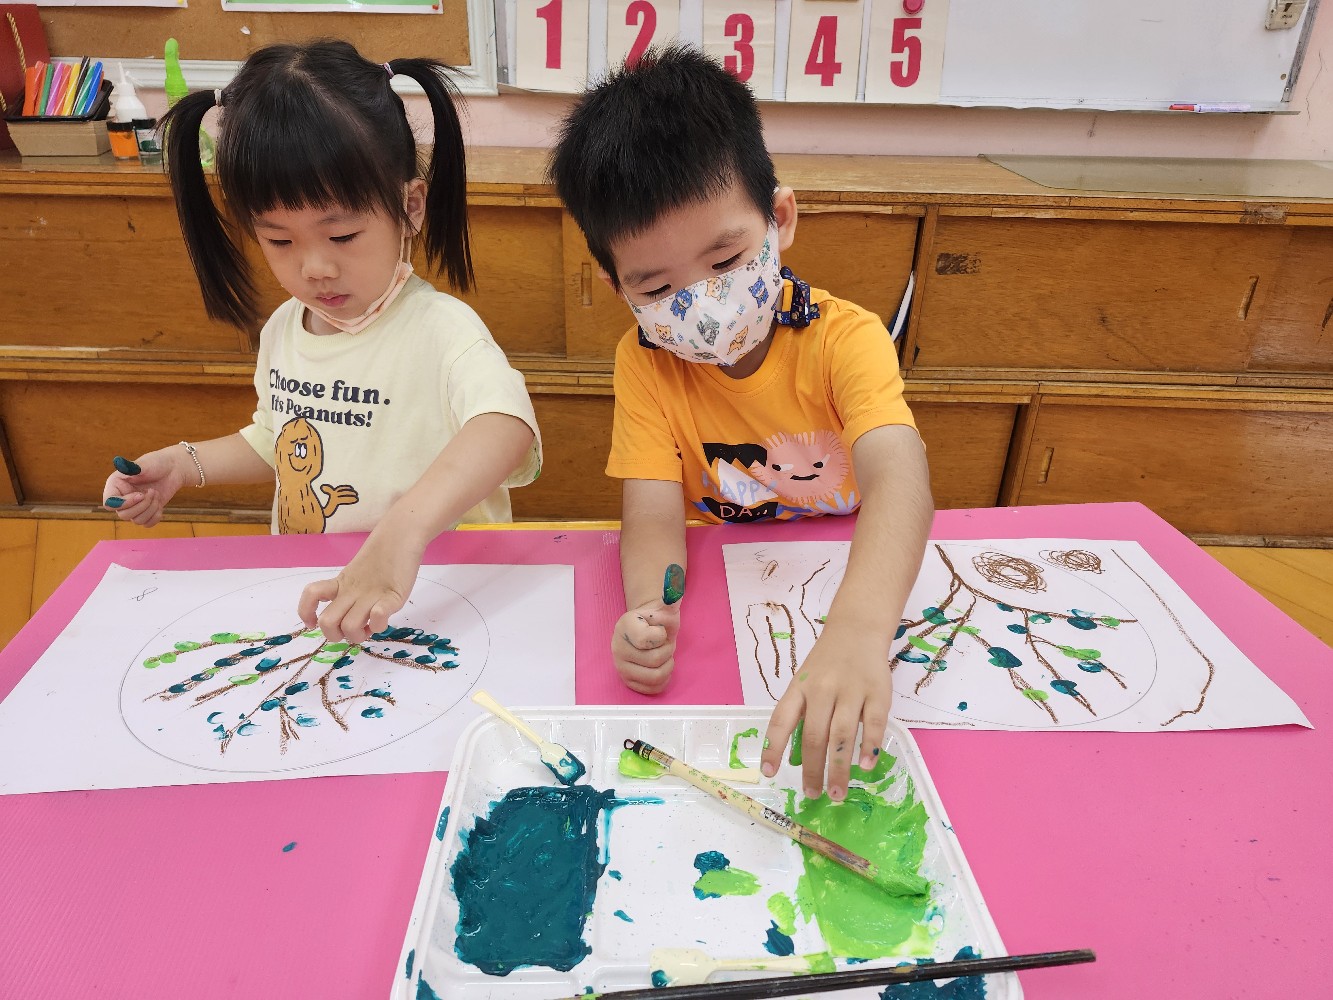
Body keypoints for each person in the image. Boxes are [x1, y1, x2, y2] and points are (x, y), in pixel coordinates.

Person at [550, 45, 933, 801]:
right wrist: (648, 609)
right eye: (656, 288)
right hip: (727, 598)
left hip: (850, 576)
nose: (702, 305)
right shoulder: (645, 362)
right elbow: (652, 512)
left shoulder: (845, 338)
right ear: (616, 285)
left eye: (725, 261)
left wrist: (859, 632)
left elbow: (901, 479)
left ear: (778, 219)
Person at [102, 40, 541, 644]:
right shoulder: (285, 328)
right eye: (280, 241)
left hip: (438, 595)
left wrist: (400, 533)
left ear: (410, 206)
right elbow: (278, 441)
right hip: (326, 593)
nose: (315, 268)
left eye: (342, 235)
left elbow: (507, 428)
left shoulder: (443, 331)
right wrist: (184, 465)